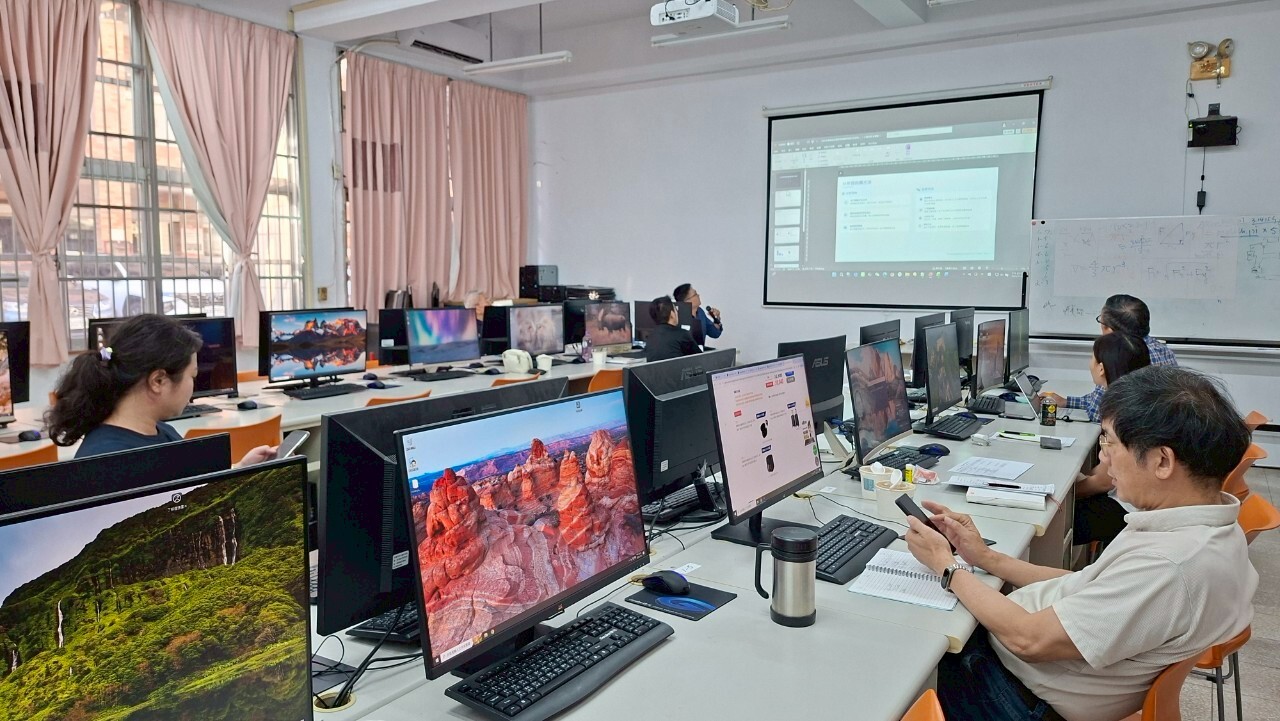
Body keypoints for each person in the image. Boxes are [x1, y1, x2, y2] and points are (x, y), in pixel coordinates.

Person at [904, 366, 1256, 721]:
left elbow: (1029, 640)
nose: (1103, 457)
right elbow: (1086, 583)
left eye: (1110, 442)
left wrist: (947, 566)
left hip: (1015, 696)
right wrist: (985, 557)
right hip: (1026, 668)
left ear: (1162, 461)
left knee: (903, 654)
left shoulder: (1169, 565)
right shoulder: (1210, 526)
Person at [46, 314, 277, 465]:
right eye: (192, 376)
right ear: (158, 381)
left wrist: (240, 467)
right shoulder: (109, 460)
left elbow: (187, 489)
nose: (193, 385)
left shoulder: (161, 432)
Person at [1070, 333, 1152, 546]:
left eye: (1092, 358)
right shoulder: (1142, 400)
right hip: (1132, 500)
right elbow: (1104, 470)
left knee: (1058, 520)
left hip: (1127, 509)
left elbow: (1103, 482)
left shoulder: (1122, 413)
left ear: (1101, 368)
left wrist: (1061, 496)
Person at [1041, 294, 1173, 421]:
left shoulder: (1119, 356)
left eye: (1101, 322)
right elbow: (1098, 400)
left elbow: (1098, 413)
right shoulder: (1163, 350)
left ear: (1109, 330)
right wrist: (1067, 402)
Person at [644, 296, 701, 363]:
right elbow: (701, 358)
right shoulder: (682, 334)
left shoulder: (650, 337)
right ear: (672, 314)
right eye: (675, 310)